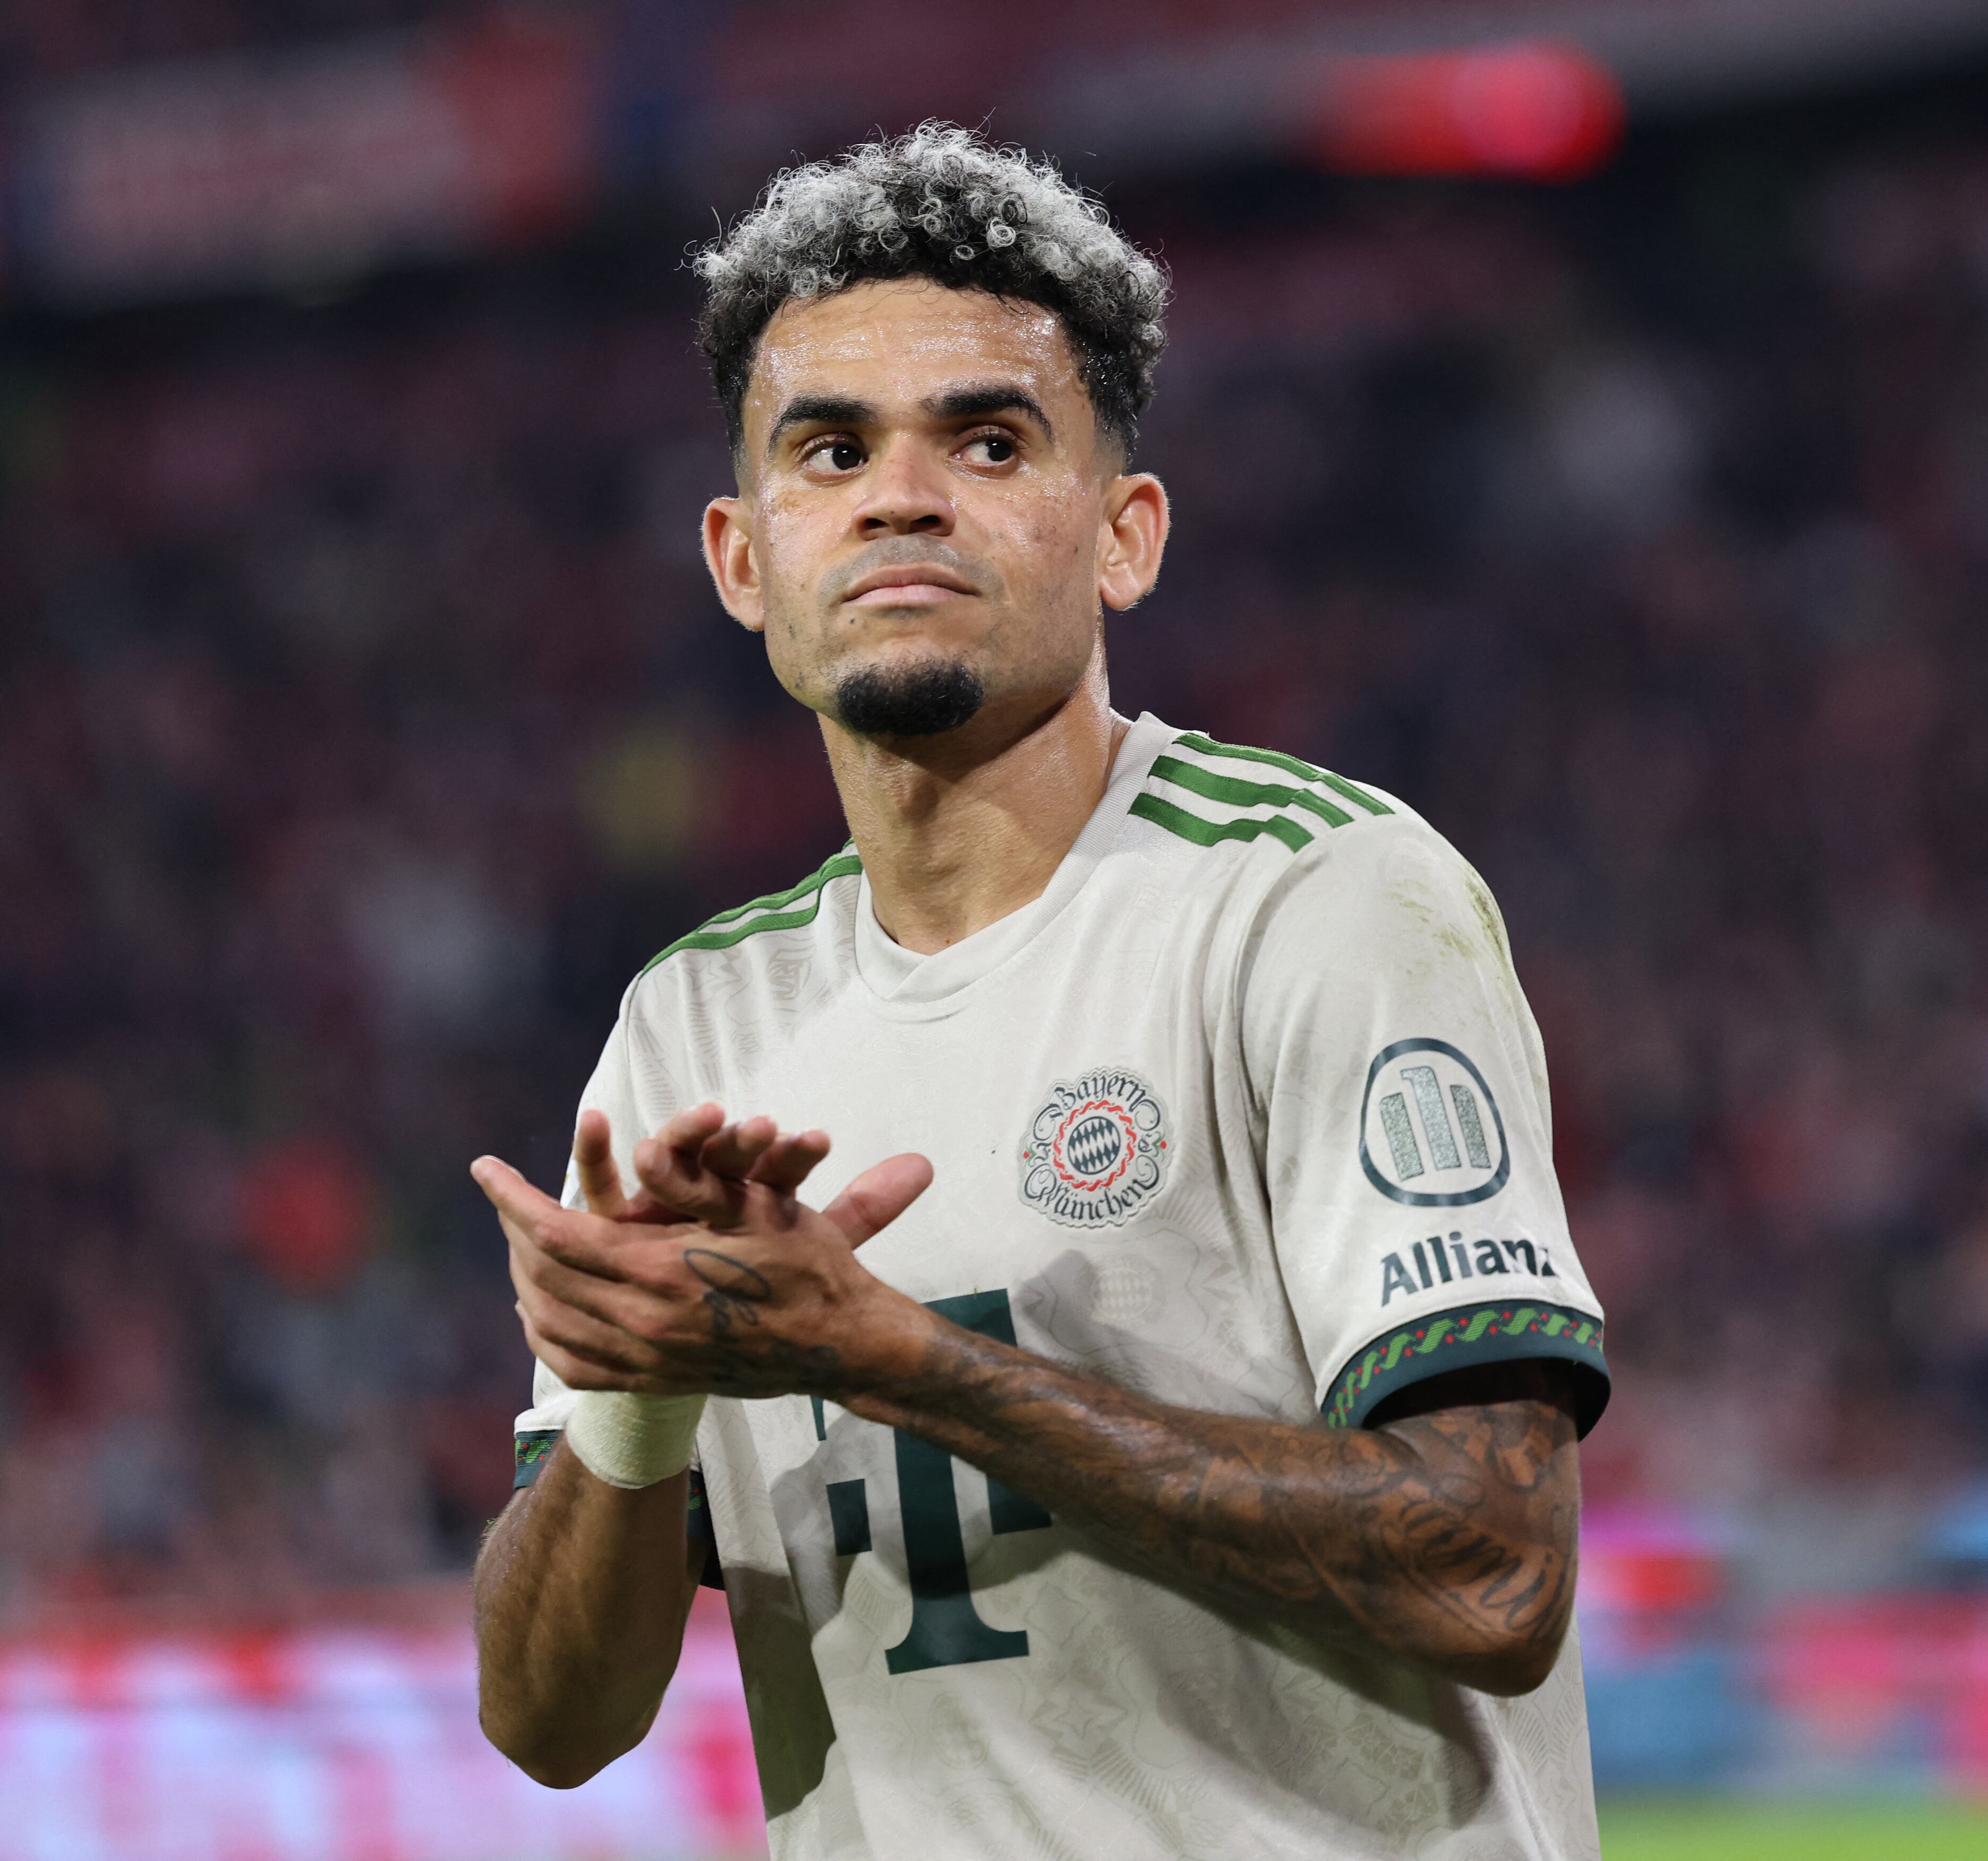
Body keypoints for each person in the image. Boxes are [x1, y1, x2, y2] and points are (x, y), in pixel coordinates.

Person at [468, 123, 1610, 1860]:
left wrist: (905, 1364)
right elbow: (550, 1727)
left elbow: (1493, 1567)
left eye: (988, 440)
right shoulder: (691, 1028)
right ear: (743, 561)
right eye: (830, 450)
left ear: (1124, 533)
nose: (900, 495)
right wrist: (634, 1397)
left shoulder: (1318, 898)